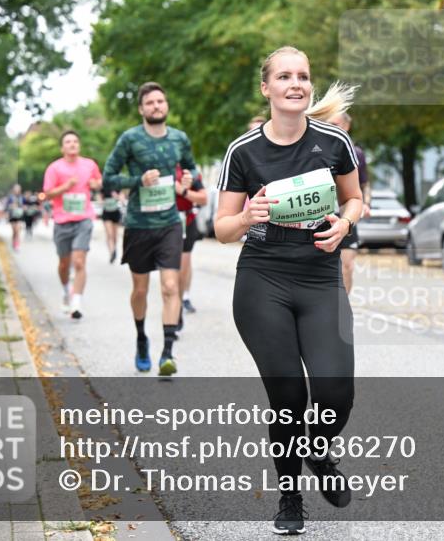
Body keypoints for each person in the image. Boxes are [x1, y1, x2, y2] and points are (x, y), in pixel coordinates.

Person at [215, 46, 363, 535]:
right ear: (267, 88)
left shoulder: (333, 143)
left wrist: (343, 224)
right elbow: (221, 228)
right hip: (263, 278)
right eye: (284, 76)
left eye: (302, 75)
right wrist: (246, 216)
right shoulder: (244, 151)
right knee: (288, 396)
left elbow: (356, 199)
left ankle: (319, 453)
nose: (295, 83)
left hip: (320, 275)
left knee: (336, 391)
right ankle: (290, 498)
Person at [104, 82, 198, 376]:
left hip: (170, 222)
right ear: (142, 109)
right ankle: (142, 338)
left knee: (171, 286)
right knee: (140, 290)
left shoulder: (179, 139)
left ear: (166, 105)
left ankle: (167, 354)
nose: (156, 106)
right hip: (138, 225)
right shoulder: (130, 139)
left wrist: (188, 180)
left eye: (160, 101)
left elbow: (192, 168)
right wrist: (138, 181)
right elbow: (108, 177)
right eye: (150, 103)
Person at [43, 130, 102, 320]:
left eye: (75, 141)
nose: (72, 144)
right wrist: (66, 187)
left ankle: (76, 303)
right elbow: (47, 193)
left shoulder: (89, 165)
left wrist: (96, 184)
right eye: (68, 142)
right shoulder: (54, 168)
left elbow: (99, 182)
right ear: (62, 148)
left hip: (84, 218)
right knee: (63, 264)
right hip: (62, 221)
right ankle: (66, 290)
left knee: (79, 261)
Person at [328, 112, 371, 294]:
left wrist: (366, 203)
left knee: (347, 265)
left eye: (336, 124)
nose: (331, 127)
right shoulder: (318, 148)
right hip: (324, 213)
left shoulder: (357, 153)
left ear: (346, 126)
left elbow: (364, 184)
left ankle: (342, 304)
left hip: (347, 215)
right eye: (328, 123)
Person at [175, 163, 208, 326]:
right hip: (161, 224)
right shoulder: (157, 166)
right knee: (169, 271)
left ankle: (180, 302)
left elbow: (204, 198)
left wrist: (182, 191)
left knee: (183, 266)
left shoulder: (189, 171)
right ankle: (174, 303)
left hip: (185, 223)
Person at [100, 182, 124, 264]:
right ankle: (112, 253)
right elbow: (100, 197)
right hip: (106, 213)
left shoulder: (117, 186)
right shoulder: (104, 187)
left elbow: (122, 199)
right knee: (109, 234)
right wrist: (102, 202)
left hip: (115, 213)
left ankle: (115, 248)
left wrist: (116, 197)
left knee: (114, 235)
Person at [3, 184, 25, 250]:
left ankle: (17, 244)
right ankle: (13, 242)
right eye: (16, 189)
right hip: (12, 215)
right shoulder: (10, 197)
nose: (17, 190)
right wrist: (11, 206)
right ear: (13, 189)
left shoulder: (21, 197)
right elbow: (6, 207)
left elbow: (24, 205)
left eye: (18, 189)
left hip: (19, 215)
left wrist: (23, 208)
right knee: (14, 231)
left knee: (18, 230)